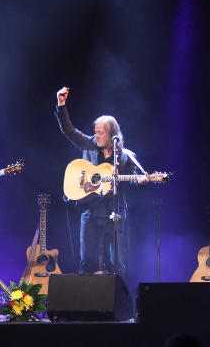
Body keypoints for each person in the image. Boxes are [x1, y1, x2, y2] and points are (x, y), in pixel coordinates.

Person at [55, 86, 145, 276]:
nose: (96, 135)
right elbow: (69, 130)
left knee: (117, 264)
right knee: (86, 262)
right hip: (89, 211)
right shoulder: (89, 144)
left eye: (100, 133)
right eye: (95, 132)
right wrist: (61, 104)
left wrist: (142, 181)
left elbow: (134, 180)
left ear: (112, 134)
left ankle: (118, 303)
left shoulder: (125, 157)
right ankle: (83, 303)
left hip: (114, 214)